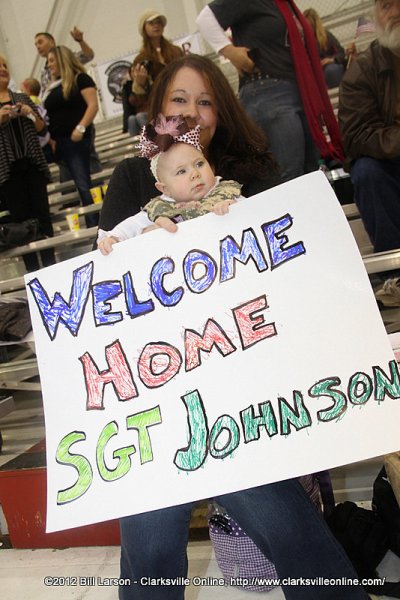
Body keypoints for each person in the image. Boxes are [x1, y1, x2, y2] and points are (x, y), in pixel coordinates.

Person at [97, 54, 369, 600]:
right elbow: (103, 280)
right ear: (158, 108)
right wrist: (137, 249)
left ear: (221, 110)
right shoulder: (133, 178)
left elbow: (294, 263)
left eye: (205, 101)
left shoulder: (249, 175)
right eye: (179, 100)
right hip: (159, 393)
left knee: (287, 527)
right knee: (151, 545)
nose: (192, 112)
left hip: (238, 389)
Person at [196, 0, 344, 182]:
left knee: (310, 172)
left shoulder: (285, 5)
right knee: (289, 175)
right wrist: (230, 51)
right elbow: (205, 18)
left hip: (295, 90)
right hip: (268, 90)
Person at [98, 115, 242, 254]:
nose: (195, 173)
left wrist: (235, 208)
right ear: (164, 188)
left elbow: (250, 213)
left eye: (199, 164)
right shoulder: (158, 208)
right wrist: (113, 238)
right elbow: (132, 226)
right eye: (181, 171)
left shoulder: (226, 193)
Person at [338, 0, 400, 305]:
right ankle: (395, 277)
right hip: (390, 167)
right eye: (387, 5)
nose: (396, 12)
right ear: (376, 15)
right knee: (366, 172)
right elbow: (357, 136)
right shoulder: (362, 69)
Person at [0, 55, 54, 272]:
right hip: (7, 172)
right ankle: (33, 272)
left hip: (33, 165)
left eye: (5, 65)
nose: (3, 69)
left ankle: (51, 267)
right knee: (20, 223)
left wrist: (30, 113)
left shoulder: (23, 97)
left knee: (44, 217)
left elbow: (42, 129)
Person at [43, 46, 99, 228]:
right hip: (57, 143)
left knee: (83, 184)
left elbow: (93, 105)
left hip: (75, 141)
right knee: (77, 184)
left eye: (52, 60)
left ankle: (94, 225)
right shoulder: (52, 87)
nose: (49, 65)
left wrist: (80, 128)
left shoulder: (80, 79)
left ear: (62, 59)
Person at [34, 29, 102, 177]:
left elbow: (88, 55)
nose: (37, 46)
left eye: (40, 42)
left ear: (51, 41)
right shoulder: (44, 73)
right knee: (68, 173)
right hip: (59, 136)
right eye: (35, 44)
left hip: (77, 128)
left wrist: (80, 41)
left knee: (88, 168)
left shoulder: (68, 58)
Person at [125, 9, 183, 136]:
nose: (156, 26)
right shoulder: (141, 59)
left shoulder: (176, 51)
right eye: (151, 23)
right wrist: (140, 84)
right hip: (157, 109)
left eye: (159, 22)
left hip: (181, 103)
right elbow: (137, 99)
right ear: (144, 28)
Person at [303, 8, 346, 89]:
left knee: (332, 71)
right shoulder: (302, 41)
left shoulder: (326, 36)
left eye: (310, 26)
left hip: (329, 68)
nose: (308, 29)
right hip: (314, 70)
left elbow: (341, 53)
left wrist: (332, 60)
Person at [121, 62, 148, 136]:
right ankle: (135, 141)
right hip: (138, 114)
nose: (135, 74)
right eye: (132, 72)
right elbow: (126, 108)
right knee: (131, 119)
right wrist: (125, 129)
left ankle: (150, 135)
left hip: (150, 113)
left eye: (136, 71)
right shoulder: (127, 87)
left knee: (140, 116)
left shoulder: (148, 82)